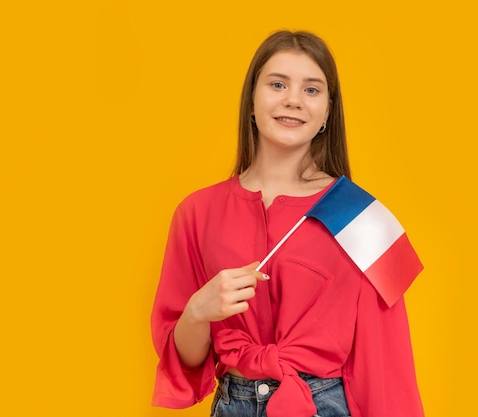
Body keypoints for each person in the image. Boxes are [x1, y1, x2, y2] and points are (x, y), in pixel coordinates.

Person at [151, 30, 425, 417]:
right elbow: (187, 360)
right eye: (277, 84)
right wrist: (198, 311)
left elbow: (386, 366)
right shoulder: (197, 212)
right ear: (251, 99)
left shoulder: (358, 217)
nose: (293, 100)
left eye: (312, 90)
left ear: (329, 111)